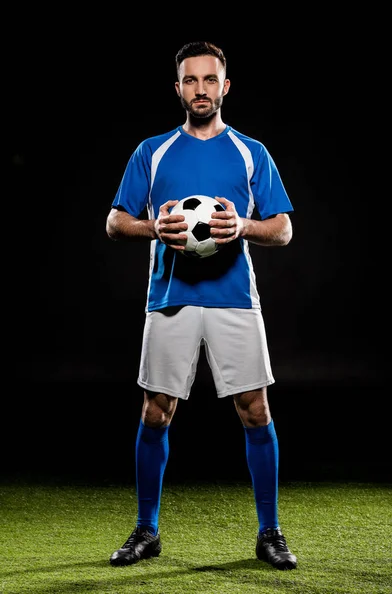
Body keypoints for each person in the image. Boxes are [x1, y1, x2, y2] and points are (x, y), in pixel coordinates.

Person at [106, 41, 297, 571]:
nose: (200, 90)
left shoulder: (250, 152)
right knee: (155, 412)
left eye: (210, 80)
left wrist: (242, 227)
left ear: (225, 86)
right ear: (178, 89)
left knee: (255, 410)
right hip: (169, 298)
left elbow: (282, 228)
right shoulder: (153, 151)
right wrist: (152, 227)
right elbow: (115, 221)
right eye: (190, 81)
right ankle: (147, 530)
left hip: (234, 296)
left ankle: (270, 533)